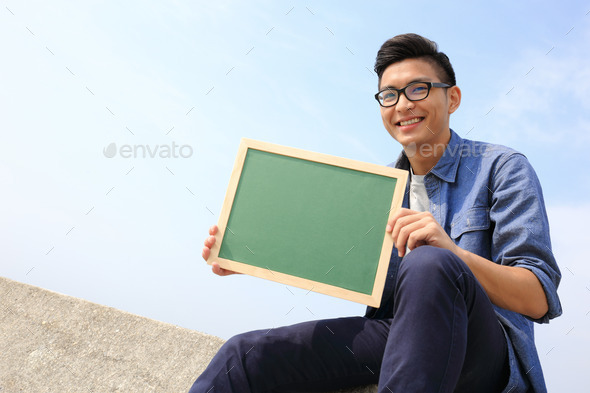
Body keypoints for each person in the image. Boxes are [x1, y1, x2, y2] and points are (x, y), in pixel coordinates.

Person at [188, 33, 562, 393]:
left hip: (482, 353)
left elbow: (538, 298)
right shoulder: (378, 193)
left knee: (430, 263)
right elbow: (332, 260)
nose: (402, 105)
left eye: (418, 89)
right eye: (389, 95)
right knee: (243, 356)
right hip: (399, 336)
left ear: (453, 99)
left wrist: (454, 254)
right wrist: (254, 251)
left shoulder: (501, 168)